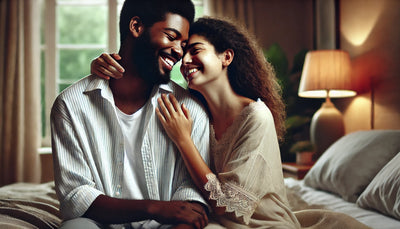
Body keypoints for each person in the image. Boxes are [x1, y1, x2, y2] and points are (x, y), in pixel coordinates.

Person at [93, 17, 373, 229]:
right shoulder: (196, 111)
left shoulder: (255, 116)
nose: (185, 61)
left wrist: (183, 140)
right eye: (184, 53)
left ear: (226, 56)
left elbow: (231, 204)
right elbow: (139, 87)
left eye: (196, 51)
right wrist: (105, 70)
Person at [50, 1, 212, 228]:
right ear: (136, 27)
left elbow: (191, 194)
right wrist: (154, 208)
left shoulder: (190, 108)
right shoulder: (71, 105)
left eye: (183, 44)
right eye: (171, 36)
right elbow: (76, 196)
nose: (178, 51)